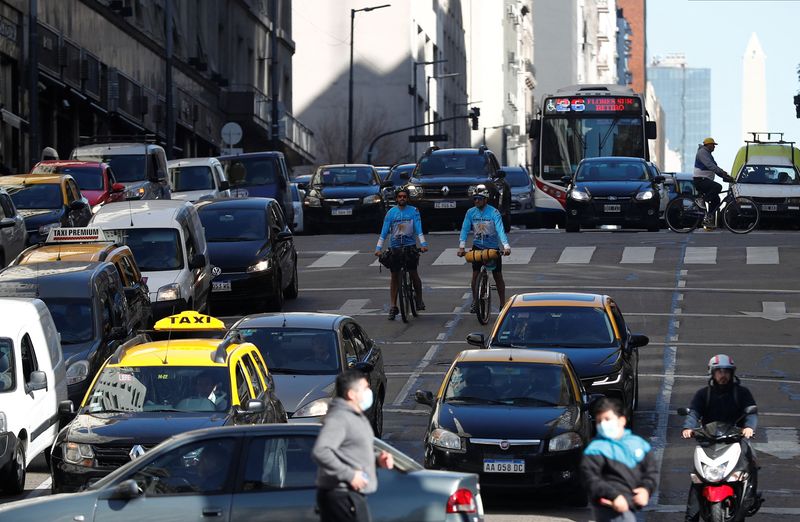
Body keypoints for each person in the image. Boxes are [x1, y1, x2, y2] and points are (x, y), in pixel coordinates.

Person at [681, 354, 760, 522]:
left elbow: (751, 412)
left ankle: (749, 497)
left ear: (732, 373)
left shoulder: (742, 393)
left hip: (736, 439)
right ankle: (691, 516)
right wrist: (688, 428)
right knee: (697, 477)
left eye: (726, 371)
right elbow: (694, 412)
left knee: (751, 460)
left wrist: (748, 428)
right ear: (712, 373)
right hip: (709, 440)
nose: (723, 375)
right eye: (719, 371)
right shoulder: (704, 394)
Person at [312, 369, 394, 522]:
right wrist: (350, 475)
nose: (369, 392)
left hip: (351, 495)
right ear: (351, 394)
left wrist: (377, 459)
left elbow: (351, 451)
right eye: (365, 388)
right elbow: (321, 451)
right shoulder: (339, 418)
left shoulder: (354, 416)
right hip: (341, 495)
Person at [580, 397, 658, 522]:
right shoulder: (595, 449)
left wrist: (646, 489)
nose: (603, 425)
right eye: (599, 421)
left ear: (622, 420)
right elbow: (590, 478)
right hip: (609, 507)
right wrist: (614, 496)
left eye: (607, 419)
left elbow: (651, 472)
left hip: (632, 505)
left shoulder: (638, 444)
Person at [375, 186, 428, 320]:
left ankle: (419, 299)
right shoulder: (391, 213)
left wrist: (423, 244)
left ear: (407, 198)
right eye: (400, 197)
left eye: (404, 196)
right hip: (395, 247)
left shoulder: (414, 211)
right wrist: (378, 248)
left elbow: (418, 228)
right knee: (394, 276)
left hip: (410, 246)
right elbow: (384, 231)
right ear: (396, 198)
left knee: (413, 272)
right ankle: (393, 306)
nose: (402, 199)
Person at [457, 185, 511, 313]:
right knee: (475, 276)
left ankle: (502, 303)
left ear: (485, 199)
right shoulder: (470, 212)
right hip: (478, 246)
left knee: (497, 276)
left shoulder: (494, 212)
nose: (476, 201)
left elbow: (500, 229)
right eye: (475, 199)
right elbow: (465, 229)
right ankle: (475, 302)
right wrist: (461, 246)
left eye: (479, 199)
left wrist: (506, 246)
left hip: (492, 247)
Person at [693, 138, 733, 228]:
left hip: (705, 180)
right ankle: (701, 200)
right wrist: (722, 173)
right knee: (718, 187)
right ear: (708, 145)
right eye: (713, 145)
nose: (714, 147)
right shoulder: (702, 152)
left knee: (716, 200)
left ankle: (708, 220)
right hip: (700, 180)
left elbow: (715, 168)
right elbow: (711, 166)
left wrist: (725, 176)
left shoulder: (708, 154)